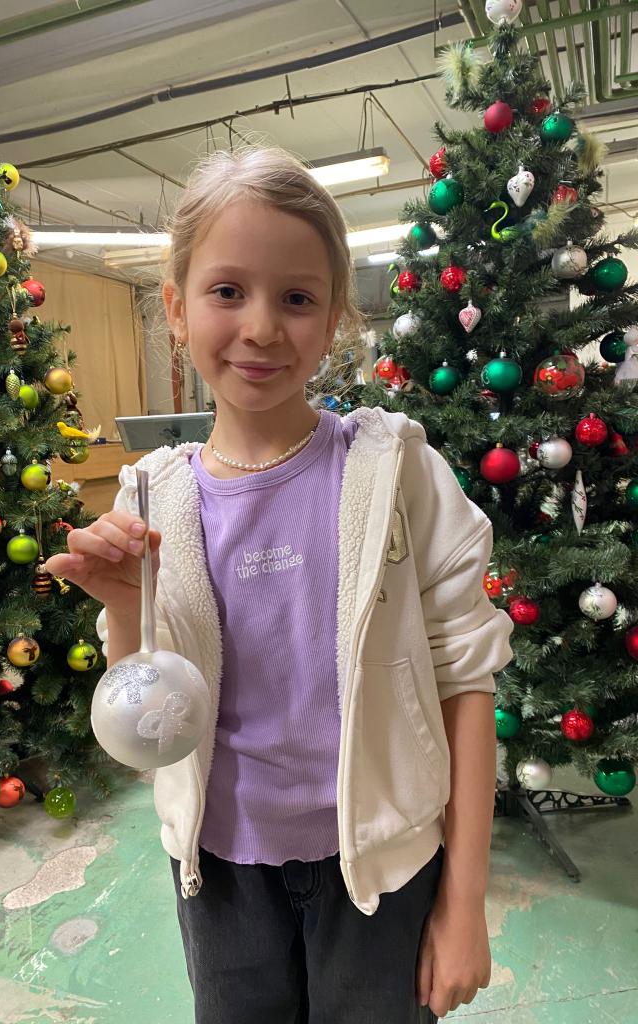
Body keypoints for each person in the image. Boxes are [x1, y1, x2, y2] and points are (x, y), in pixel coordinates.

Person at [45, 146, 514, 1023]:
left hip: (381, 871)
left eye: (297, 298)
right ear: (176, 309)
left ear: (334, 319)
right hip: (222, 875)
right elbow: (144, 732)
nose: (261, 327)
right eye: (228, 291)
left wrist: (463, 904)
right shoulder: (151, 497)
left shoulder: (395, 472)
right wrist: (125, 608)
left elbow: (466, 684)